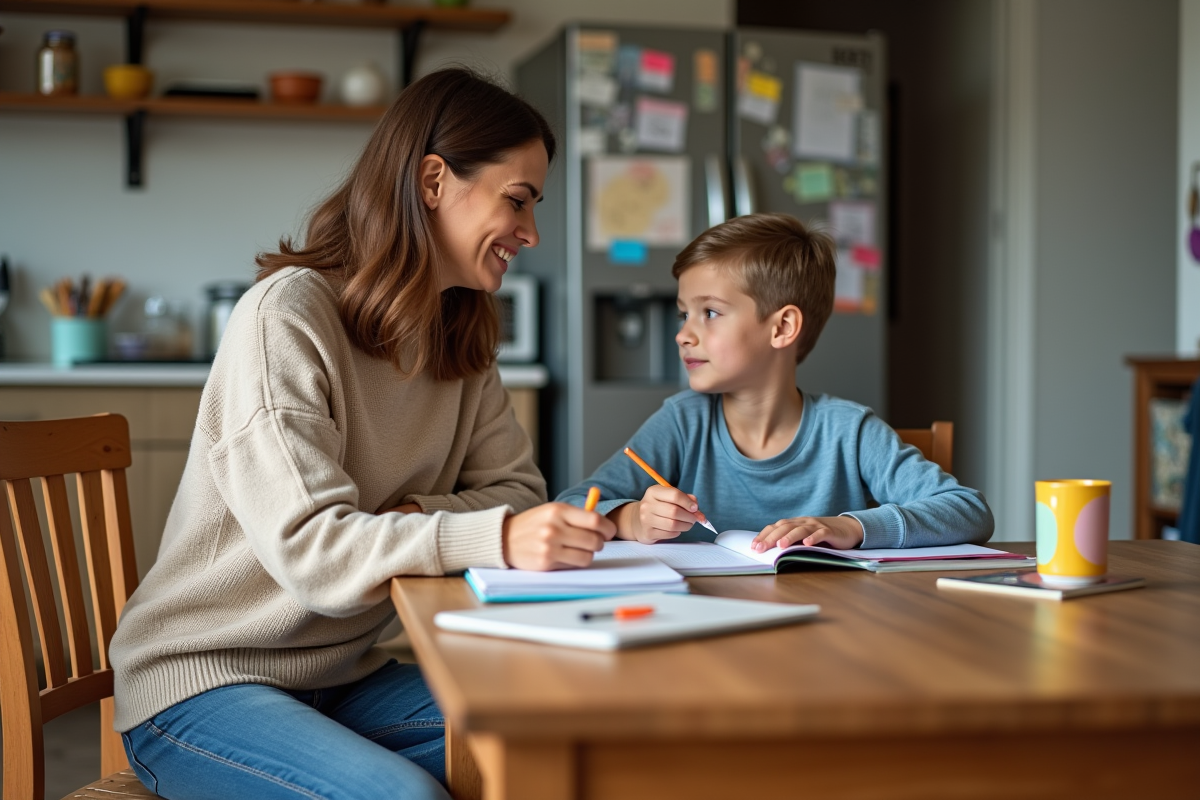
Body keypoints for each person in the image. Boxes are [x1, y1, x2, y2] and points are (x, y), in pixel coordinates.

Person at [108, 68, 614, 800]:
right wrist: (494, 536)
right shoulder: (285, 317)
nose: (531, 233)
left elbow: (517, 490)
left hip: (343, 676)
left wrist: (418, 516)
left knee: (570, 734)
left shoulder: (458, 336)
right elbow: (315, 554)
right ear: (434, 181)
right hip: (204, 681)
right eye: (517, 200)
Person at [557, 212, 993, 551]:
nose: (683, 334)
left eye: (709, 312)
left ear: (782, 327)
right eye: (683, 313)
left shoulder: (849, 430)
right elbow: (571, 504)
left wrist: (851, 526)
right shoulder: (682, 422)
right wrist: (632, 519)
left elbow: (968, 511)